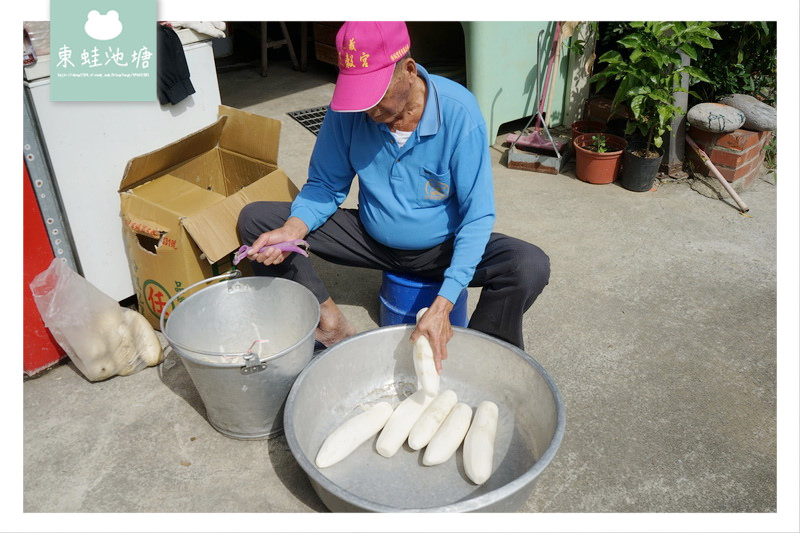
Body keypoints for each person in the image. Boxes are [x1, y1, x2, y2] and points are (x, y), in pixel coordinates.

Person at [237, 21, 550, 372]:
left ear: (409, 70)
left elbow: (477, 215)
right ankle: (330, 323)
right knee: (257, 222)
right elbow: (326, 184)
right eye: (359, 96)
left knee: (528, 265)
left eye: (376, 96)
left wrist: (444, 302)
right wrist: (294, 230)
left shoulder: (459, 113)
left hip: (440, 249)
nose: (369, 111)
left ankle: (484, 354)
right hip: (371, 240)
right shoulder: (349, 112)